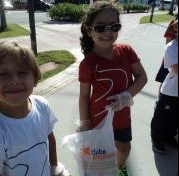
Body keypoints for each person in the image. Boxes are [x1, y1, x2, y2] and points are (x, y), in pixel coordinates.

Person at [0, 41, 70, 176]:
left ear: (35, 78)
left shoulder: (42, 106)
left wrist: (55, 169)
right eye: (3, 75)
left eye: (22, 73)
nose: (14, 80)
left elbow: (50, 138)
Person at [78, 1, 148, 176]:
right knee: (99, 153)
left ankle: (119, 168)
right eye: (100, 27)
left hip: (122, 116)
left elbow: (142, 77)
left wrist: (127, 95)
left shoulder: (126, 51)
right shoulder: (88, 63)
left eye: (114, 26)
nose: (108, 31)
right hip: (98, 118)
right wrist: (84, 123)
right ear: (89, 30)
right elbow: (84, 96)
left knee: (124, 148)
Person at [151, 19, 178, 154]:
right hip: (170, 91)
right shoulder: (172, 47)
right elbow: (176, 69)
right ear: (176, 28)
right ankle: (157, 140)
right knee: (161, 119)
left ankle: (169, 137)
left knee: (175, 120)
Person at [155, 15, 178, 93]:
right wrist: (169, 56)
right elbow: (168, 41)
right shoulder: (172, 47)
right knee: (165, 80)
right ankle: (159, 99)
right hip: (172, 57)